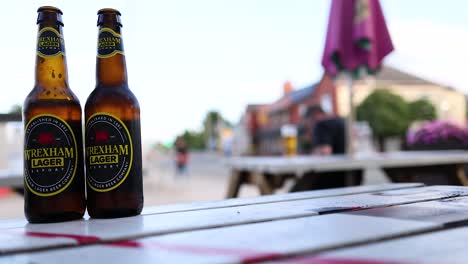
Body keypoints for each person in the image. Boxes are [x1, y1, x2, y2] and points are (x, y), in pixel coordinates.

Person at [291, 105, 361, 191]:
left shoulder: (320, 125)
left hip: (331, 183)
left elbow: (324, 151)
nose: (308, 127)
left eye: (307, 123)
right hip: (354, 181)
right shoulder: (344, 122)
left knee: (298, 188)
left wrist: (311, 153)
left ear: (313, 117)